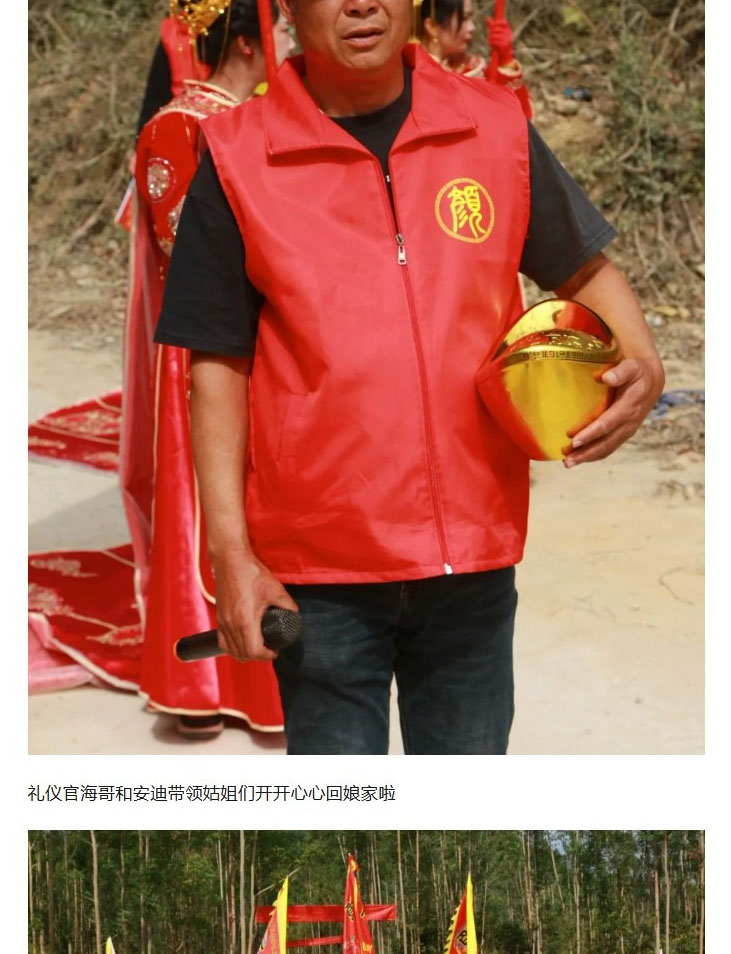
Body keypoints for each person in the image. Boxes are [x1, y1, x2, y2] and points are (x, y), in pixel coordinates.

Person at [154, 0, 664, 754]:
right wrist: (231, 556)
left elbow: (581, 267)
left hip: (472, 556)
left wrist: (643, 359)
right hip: (320, 571)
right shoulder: (236, 157)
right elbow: (216, 367)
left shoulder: (491, 125)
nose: (362, 3)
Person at [123, 0, 294, 738]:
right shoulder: (178, 126)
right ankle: (200, 685)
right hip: (207, 347)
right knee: (210, 513)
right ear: (250, 42)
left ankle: (273, 678)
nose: (290, 37)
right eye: (281, 26)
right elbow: (180, 245)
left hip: (270, 336)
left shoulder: (258, 119)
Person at [419, 0, 532, 116]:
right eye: (463, 19)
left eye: (470, 18)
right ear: (432, 26)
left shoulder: (475, 70)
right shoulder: (413, 74)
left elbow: (521, 118)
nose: (472, 27)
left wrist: (505, 59)